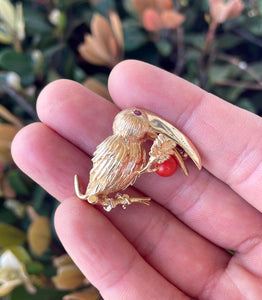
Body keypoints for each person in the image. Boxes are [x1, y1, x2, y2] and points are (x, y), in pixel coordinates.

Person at [11, 60, 262, 299]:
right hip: (105, 187)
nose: (148, 125)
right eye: (141, 118)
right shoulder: (121, 146)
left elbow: (132, 170)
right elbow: (117, 172)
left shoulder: (133, 147)